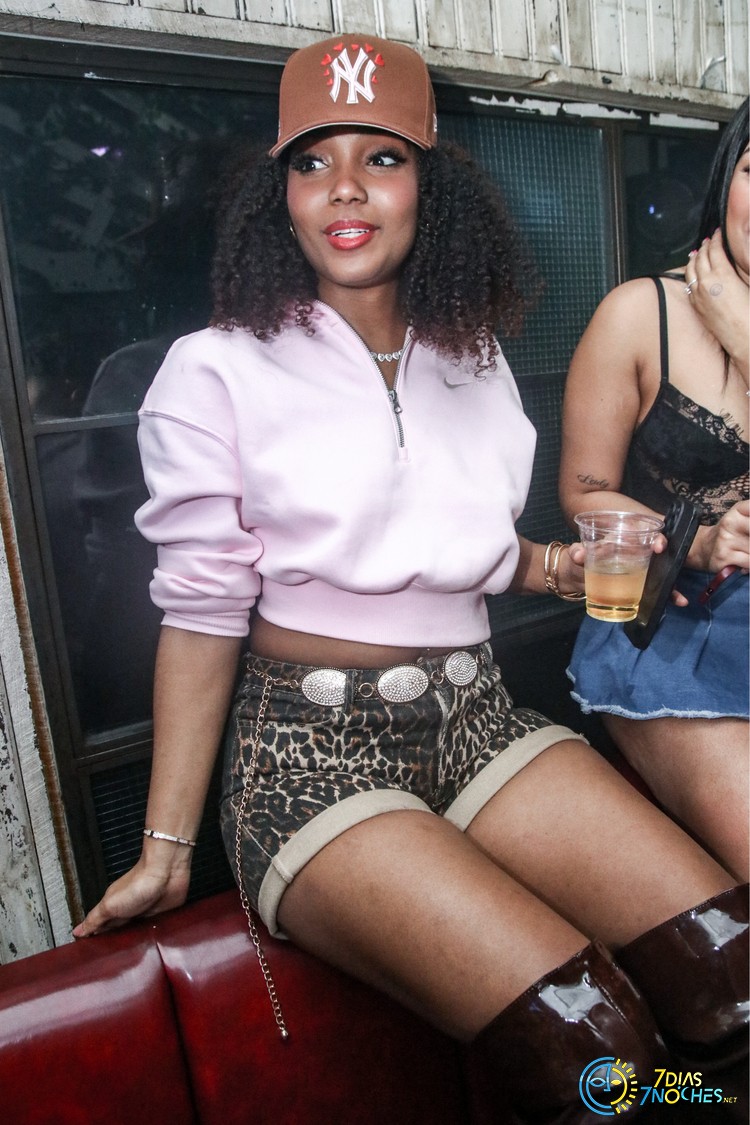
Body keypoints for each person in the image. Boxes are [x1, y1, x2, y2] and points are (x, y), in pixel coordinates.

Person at [73, 37, 747, 1123]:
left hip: (477, 719)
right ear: (280, 196)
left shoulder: (469, 357)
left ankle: (698, 1107)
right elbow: (202, 615)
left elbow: (476, 552)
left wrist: (568, 567)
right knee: (586, 1036)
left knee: (729, 967)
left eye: (381, 158)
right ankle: (669, 1105)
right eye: (312, 162)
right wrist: (165, 849)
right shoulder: (215, 368)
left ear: (431, 186)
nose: (344, 187)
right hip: (308, 757)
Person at [560, 99, 749, 885]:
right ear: (726, 179)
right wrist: (698, 539)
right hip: (669, 630)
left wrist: (745, 338)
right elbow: (584, 494)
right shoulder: (640, 313)